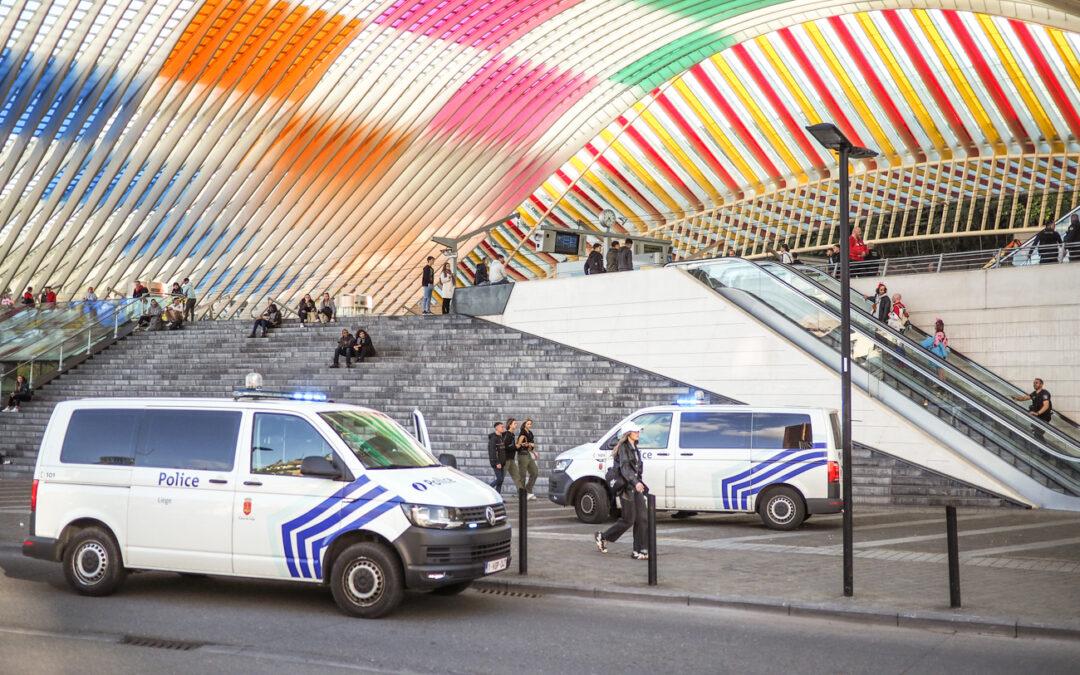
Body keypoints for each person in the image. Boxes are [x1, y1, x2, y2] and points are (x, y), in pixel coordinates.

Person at [594, 423, 648, 559]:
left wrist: (639, 482)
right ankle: (603, 536)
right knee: (628, 520)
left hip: (635, 486)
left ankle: (639, 550)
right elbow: (625, 469)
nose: (638, 432)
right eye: (635, 431)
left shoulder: (635, 447)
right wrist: (635, 483)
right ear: (628, 433)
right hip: (626, 488)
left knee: (642, 518)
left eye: (638, 430)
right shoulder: (623, 448)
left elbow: (637, 469)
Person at [516, 418, 539, 500]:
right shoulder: (522, 433)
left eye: (530, 424)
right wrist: (526, 444)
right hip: (522, 455)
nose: (529, 425)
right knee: (522, 475)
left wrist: (534, 452)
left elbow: (532, 446)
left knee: (535, 472)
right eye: (528, 424)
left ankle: (528, 490)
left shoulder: (530, 433)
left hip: (528, 454)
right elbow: (518, 445)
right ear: (524, 424)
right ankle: (521, 494)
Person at [487, 421, 510, 492]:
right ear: (497, 428)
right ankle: (487, 488)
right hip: (497, 463)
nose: (503, 428)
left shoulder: (501, 437)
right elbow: (492, 452)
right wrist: (497, 462)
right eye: (501, 427)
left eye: (503, 427)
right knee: (499, 479)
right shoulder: (493, 439)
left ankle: (498, 498)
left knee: (501, 481)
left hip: (502, 462)